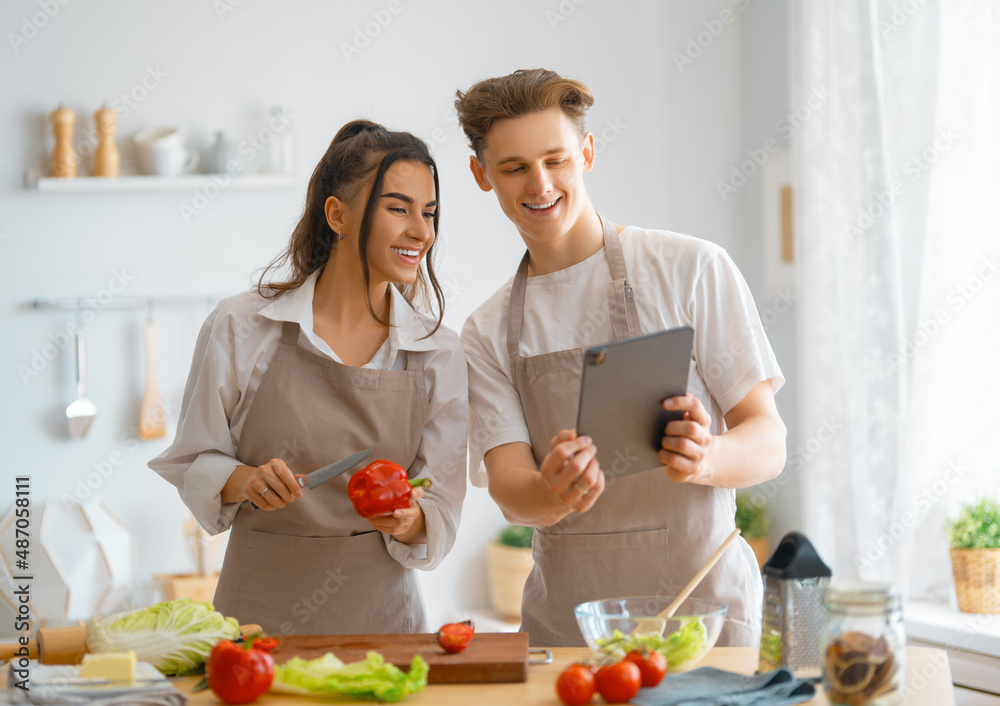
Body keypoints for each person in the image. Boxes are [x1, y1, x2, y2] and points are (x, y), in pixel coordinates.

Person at [454, 69, 786, 648]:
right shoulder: (486, 331)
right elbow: (509, 487)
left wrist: (707, 457)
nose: (540, 183)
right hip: (569, 631)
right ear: (482, 175)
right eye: (514, 167)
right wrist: (553, 491)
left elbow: (768, 439)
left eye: (556, 158)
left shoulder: (692, 268)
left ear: (585, 151)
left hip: (701, 621)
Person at [150, 120, 468, 636]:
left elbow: (443, 500)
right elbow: (194, 459)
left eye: (429, 213)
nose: (422, 232)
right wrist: (245, 480)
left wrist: (410, 521)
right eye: (398, 209)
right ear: (338, 215)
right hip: (256, 621)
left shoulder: (439, 351)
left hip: (383, 625)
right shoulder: (242, 326)